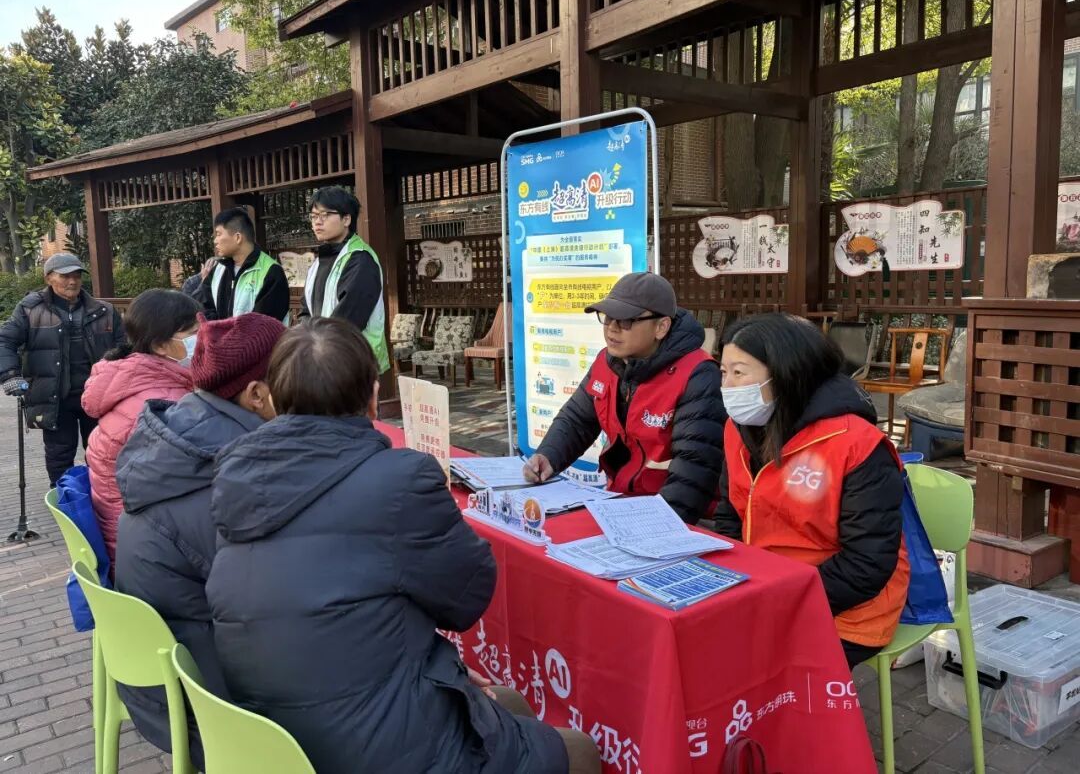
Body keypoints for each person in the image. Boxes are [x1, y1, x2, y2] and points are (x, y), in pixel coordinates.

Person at [205, 318, 598, 774]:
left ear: (272, 397)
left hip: (270, 736)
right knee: (579, 750)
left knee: (507, 702)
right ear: (374, 396)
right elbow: (467, 599)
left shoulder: (238, 477)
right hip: (374, 743)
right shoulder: (399, 479)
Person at [112, 312, 285, 769]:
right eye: (295, 375)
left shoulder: (179, 434)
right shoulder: (232, 479)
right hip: (211, 712)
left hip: (162, 681)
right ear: (256, 394)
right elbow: (284, 601)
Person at [711, 313, 910, 669]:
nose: (727, 386)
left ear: (786, 373)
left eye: (739, 373)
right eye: (723, 372)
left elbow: (867, 563)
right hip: (766, 586)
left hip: (846, 609)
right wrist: (739, 582)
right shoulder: (738, 428)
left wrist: (781, 601)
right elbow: (729, 512)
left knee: (744, 666)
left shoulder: (856, 444)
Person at [523, 272, 726, 524]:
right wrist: (548, 456)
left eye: (626, 320)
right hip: (620, 503)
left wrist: (658, 526)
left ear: (661, 327)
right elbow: (577, 420)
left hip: (679, 517)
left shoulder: (698, 374)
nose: (612, 328)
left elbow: (695, 468)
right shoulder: (607, 361)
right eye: (607, 317)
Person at [82, 289, 199, 564]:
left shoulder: (130, 376)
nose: (203, 340)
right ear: (160, 345)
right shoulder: (160, 405)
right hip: (144, 556)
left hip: (126, 535)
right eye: (193, 333)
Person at [0, 253, 124, 486]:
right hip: (55, 397)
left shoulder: (104, 311)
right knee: (59, 455)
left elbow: (124, 348)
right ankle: (65, 499)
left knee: (102, 453)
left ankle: (101, 498)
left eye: (77, 275)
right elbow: (5, 341)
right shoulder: (29, 309)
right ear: (48, 278)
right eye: (65, 276)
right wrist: (9, 375)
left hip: (97, 396)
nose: (72, 281)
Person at [299, 185, 390, 374]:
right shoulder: (318, 262)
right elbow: (306, 312)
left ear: (346, 219)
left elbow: (347, 321)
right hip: (322, 361)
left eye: (325, 215)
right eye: (314, 216)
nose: (317, 222)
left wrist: (316, 351)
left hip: (354, 365)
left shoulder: (360, 259)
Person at [196, 207, 290, 322]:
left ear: (238, 237)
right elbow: (205, 310)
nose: (215, 241)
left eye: (219, 234)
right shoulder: (217, 270)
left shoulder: (272, 272)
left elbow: (264, 325)